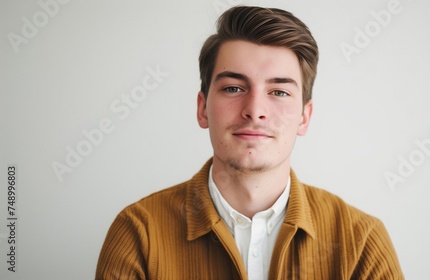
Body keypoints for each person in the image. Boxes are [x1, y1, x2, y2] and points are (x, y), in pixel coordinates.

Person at [95, 5, 404, 279]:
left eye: (279, 92)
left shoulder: (361, 241)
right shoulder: (139, 233)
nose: (255, 111)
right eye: (233, 88)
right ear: (202, 108)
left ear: (304, 117)